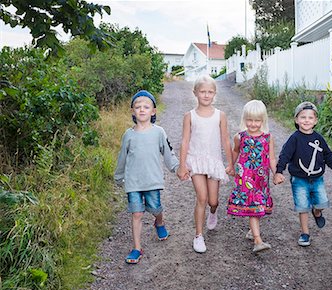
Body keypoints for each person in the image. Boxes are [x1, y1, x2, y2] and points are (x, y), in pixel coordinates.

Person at [114, 90, 179, 264]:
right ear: (132, 111)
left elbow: (168, 152)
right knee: (136, 214)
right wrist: (119, 176)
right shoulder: (128, 135)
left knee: (155, 207)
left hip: (152, 180)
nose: (142, 109)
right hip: (133, 182)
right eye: (138, 107)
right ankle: (137, 248)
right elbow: (122, 157)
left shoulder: (159, 132)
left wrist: (176, 167)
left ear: (153, 111)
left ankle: (159, 222)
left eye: (146, 106)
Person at [274, 101, 332, 247]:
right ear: (296, 119)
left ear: (315, 121)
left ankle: (317, 212)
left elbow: (327, 154)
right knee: (302, 207)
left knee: (322, 202)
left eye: (310, 118)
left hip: (317, 178)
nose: (306, 120)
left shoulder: (319, 138)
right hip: (299, 179)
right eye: (303, 117)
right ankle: (305, 234)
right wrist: (279, 171)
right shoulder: (294, 138)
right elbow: (285, 155)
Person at [177, 75, 234, 253]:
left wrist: (231, 163)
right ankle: (198, 235)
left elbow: (225, 140)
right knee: (201, 198)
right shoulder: (190, 116)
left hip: (213, 161)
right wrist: (182, 165)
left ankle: (213, 211)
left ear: (215, 94)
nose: (206, 95)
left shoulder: (220, 115)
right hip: (195, 160)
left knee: (213, 200)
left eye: (210, 92)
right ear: (195, 93)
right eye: (203, 92)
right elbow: (185, 141)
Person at [227, 100, 276, 253]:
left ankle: (251, 230)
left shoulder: (267, 138)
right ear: (244, 119)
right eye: (249, 120)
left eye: (257, 120)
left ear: (263, 120)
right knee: (254, 206)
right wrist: (231, 165)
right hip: (246, 178)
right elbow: (235, 151)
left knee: (258, 205)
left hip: (261, 179)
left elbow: (272, 158)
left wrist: (277, 173)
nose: (253, 124)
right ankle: (257, 239)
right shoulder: (240, 137)